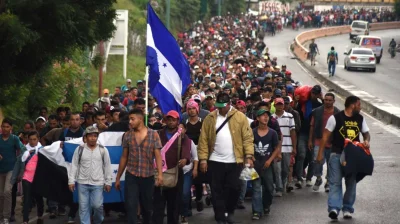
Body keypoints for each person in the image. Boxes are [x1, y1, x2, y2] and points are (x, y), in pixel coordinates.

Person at [198, 92, 254, 224]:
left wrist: (249, 156)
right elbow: (204, 139)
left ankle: (230, 211)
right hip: (215, 160)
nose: (220, 109)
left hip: (235, 161)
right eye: (218, 106)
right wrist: (203, 159)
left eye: (222, 106)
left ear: (229, 104)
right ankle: (220, 216)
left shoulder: (240, 117)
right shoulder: (210, 118)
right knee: (217, 190)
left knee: (234, 188)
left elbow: (247, 138)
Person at [316, 95, 370, 220]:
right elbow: (325, 136)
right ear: (352, 105)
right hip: (337, 154)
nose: (360, 108)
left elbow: (366, 133)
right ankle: (334, 208)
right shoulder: (335, 118)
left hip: (353, 157)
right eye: (359, 105)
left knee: (351, 183)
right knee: (335, 182)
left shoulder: (360, 119)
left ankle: (347, 208)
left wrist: (366, 141)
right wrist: (320, 154)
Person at [115, 109, 164, 224]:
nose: (130, 122)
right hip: (132, 175)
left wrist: (160, 175)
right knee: (131, 205)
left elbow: (158, 156)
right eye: (129, 119)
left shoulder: (154, 134)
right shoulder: (127, 135)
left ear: (140, 119)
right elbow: (124, 157)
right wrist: (118, 177)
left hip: (148, 176)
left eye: (132, 119)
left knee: (147, 208)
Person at [152, 110, 191, 224]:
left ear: (178, 121)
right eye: (169, 119)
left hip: (175, 174)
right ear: (165, 120)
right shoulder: (158, 134)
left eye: (174, 120)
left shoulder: (182, 136)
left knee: (174, 207)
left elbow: (186, 149)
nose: (171, 122)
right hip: (158, 173)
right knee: (158, 205)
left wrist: (185, 159)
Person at [68, 126, 113, 224]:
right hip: (82, 183)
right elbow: (74, 165)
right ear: (86, 137)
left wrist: (108, 182)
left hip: (98, 183)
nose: (93, 138)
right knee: (83, 208)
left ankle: (97, 221)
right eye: (90, 136)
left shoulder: (103, 150)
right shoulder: (79, 149)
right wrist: (71, 181)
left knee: (97, 206)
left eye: (95, 136)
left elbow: (107, 166)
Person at [251, 109, 279, 220]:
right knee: (256, 188)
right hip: (255, 165)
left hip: (268, 166)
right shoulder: (252, 132)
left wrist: (270, 160)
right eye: (262, 116)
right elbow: (248, 146)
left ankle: (266, 205)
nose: (265, 117)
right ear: (257, 118)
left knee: (269, 188)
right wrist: (251, 158)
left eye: (267, 115)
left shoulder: (273, 133)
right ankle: (256, 211)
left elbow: (276, 148)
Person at [308, 93, 339, 192]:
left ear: (334, 101)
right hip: (318, 140)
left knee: (331, 163)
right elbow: (312, 126)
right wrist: (310, 140)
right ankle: (318, 178)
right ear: (323, 100)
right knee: (317, 161)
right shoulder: (317, 111)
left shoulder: (338, 113)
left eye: (330, 100)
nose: (328, 102)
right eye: (326, 100)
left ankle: (328, 182)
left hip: (333, 142)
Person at [0, 118, 25, 224]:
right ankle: (1, 215)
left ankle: (6, 216)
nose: (5, 129)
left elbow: (23, 150)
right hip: (1, 170)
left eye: (7, 126)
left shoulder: (14, 139)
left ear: (11, 128)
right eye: (3, 126)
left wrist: (20, 169)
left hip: (11, 169)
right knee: (1, 194)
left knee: (7, 191)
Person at [272, 98, 297, 195]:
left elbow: (293, 132)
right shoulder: (272, 118)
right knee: (277, 169)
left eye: (281, 104)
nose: (279, 106)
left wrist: (294, 147)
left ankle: (283, 183)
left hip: (287, 147)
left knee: (285, 168)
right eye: (277, 104)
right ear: (274, 105)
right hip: (276, 148)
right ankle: (279, 188)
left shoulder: (290, 116)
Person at [21, 131, 44, 224]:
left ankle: (40, 215)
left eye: (34, 139)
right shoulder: (24, 149)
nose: (32, 141)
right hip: (26, 177)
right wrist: (26, 154)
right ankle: (25, 220)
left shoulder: (42, 150)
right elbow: (20, 162)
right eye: (30, 139)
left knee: (39, 197)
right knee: (27, 199)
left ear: (38, 139)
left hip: (38, 177)